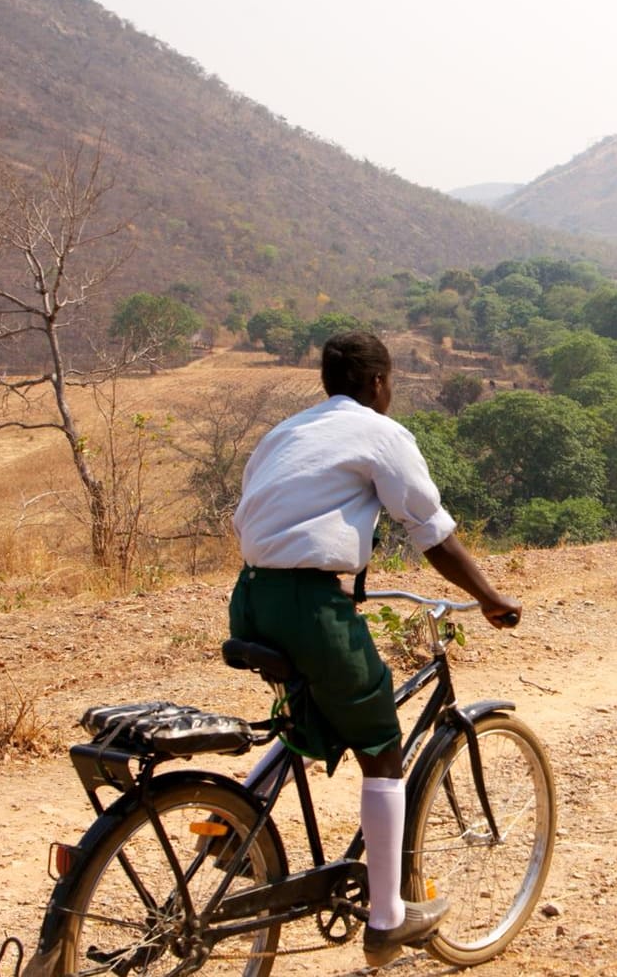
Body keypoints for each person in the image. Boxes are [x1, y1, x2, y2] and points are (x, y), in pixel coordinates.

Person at [229, 330, 520, 965]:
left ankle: (235, 819)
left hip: (251, 596)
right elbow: (432, 533)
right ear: (379, 383)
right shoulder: (381, 434)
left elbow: (253, 516)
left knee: (310, 702)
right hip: (309, 604)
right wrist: (491, 597)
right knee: (383, 747)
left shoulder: (286, 432)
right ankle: (388, 918)